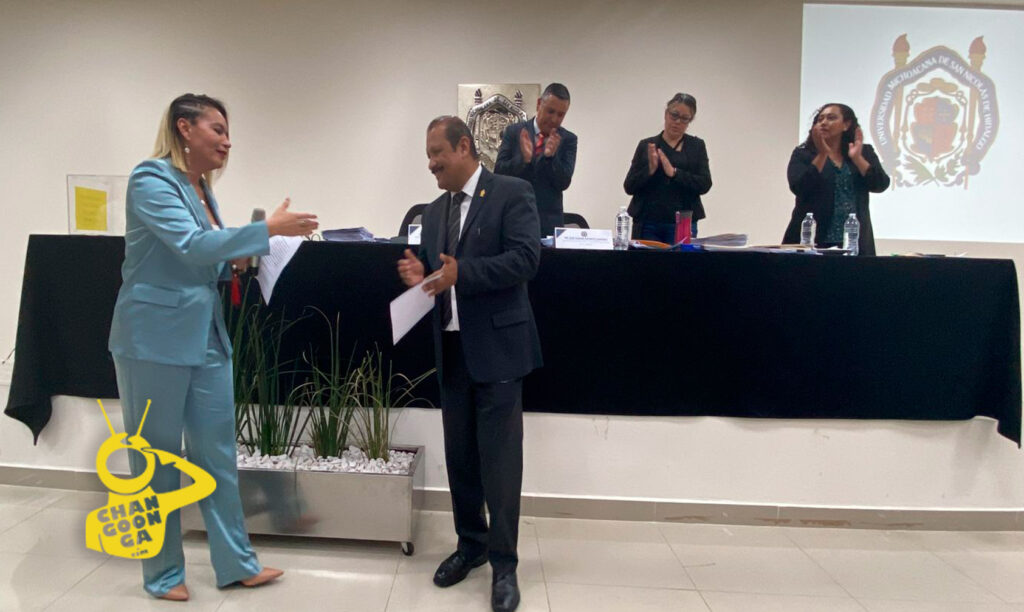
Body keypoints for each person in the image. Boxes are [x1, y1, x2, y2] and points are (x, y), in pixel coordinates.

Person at [107, 93, 318, 601]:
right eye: (217, 130)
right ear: (185, 128)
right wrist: (264, 230)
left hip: (206, 335)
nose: (227, 142)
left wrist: (242, 258)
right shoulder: (151, 179)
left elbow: (208, 261)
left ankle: (236, 563)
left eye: (228, 133)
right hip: (153, 339)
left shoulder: (201, 188)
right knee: (155, 460)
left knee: (217, 455)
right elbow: (190, 245)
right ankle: (162, 575)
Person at [397, 116, 542, 612]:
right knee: (460, 458)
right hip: (452, 351)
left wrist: (463, 273)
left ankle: (505, 565)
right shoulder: (435, 211)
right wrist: (423, 276)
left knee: (500, 465)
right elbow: (440, 276)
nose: (431, 164)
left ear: (463, 147)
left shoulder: (512, 192)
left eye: (437, 153)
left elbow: (526, 259)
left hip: (499, 351)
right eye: (428, 155)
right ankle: (471, 546)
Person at [783, 103, 890, 255]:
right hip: (812, 242)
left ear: (846, 125)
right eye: (820, 119)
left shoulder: (863, 151)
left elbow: (880, 184)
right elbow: (799, 187)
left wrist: (857, 159)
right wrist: (822, 155)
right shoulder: (803, 154)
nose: (824, 122)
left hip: (854, 244)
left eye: (831, 118)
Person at [624, 93, 712, 243]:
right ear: (666, 114)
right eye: (674, 115)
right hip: (647, 221)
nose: (677, 122)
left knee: (680, 259)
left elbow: (705, 184)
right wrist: (650, 170)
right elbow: (629, 186)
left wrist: (675, 173)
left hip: (682, 222)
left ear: (690, 121)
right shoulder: (647, 145)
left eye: (684, 118)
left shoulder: (696, 146)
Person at [494, 83, 577, 237]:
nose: (554, 119)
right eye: (550, 111)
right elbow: (499, 173)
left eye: (560, 115)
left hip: (548, 225)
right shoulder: (514, 132)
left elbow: (564, 182)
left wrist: (551, 158)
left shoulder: (568, 139)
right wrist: (523, 160)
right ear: (539, 104)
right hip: (515, 219)